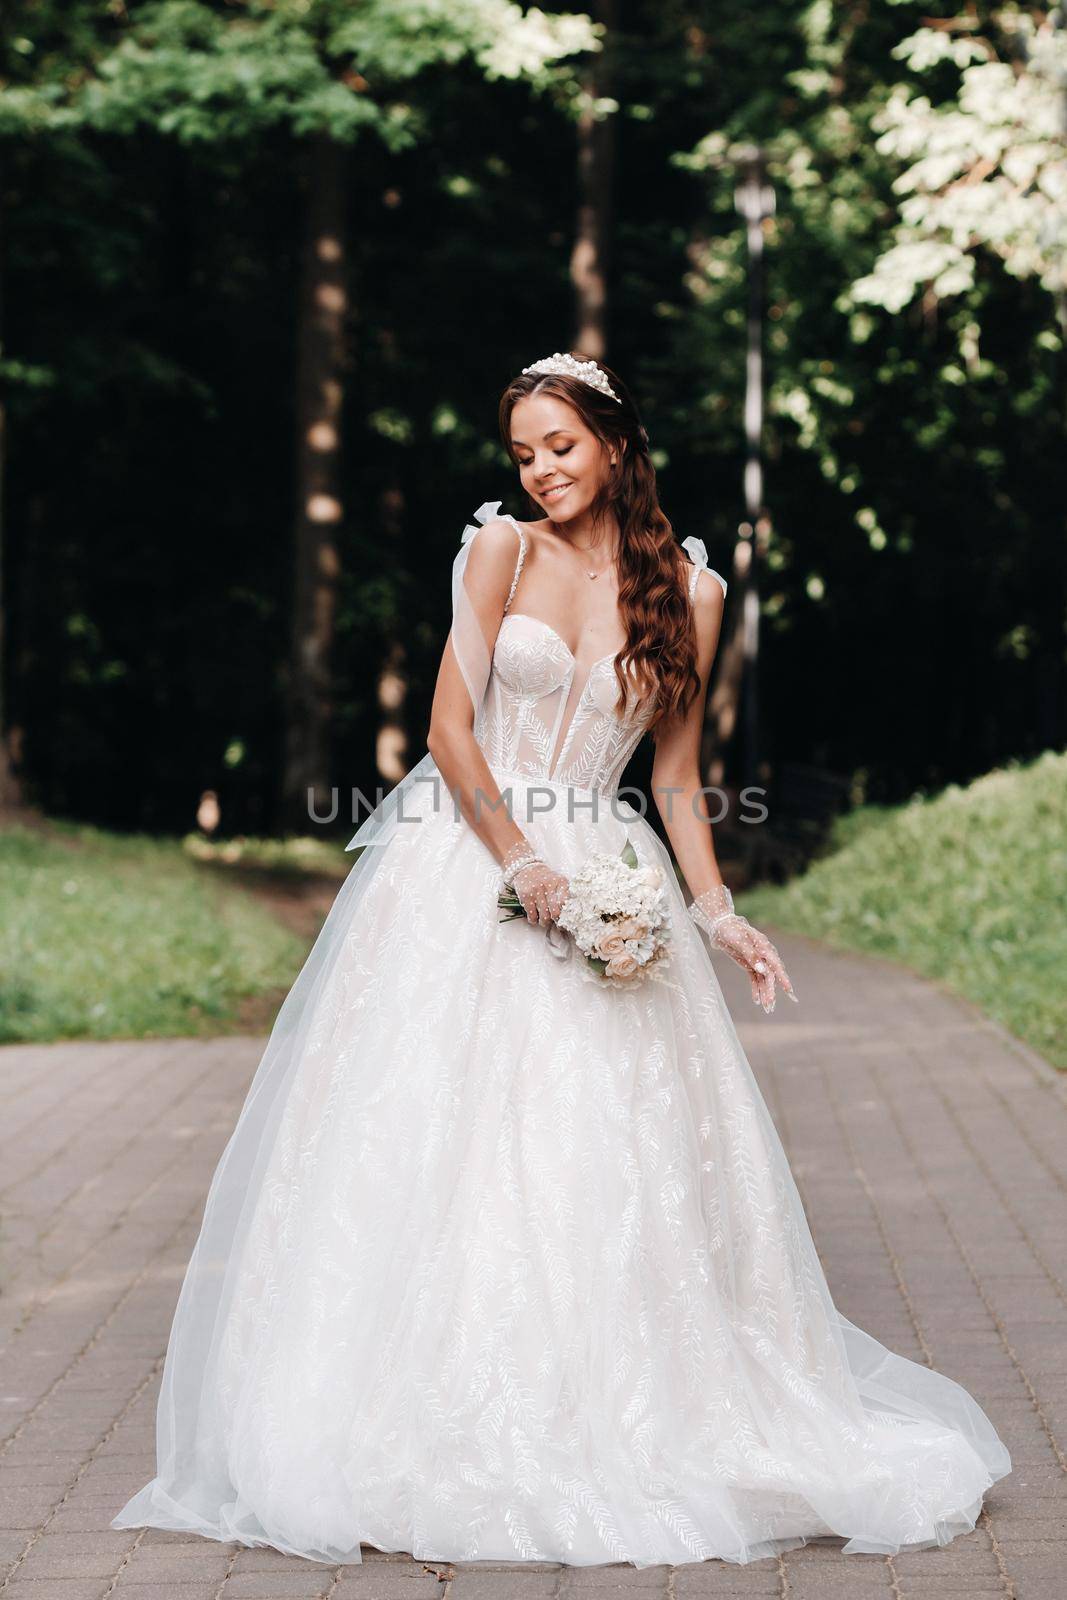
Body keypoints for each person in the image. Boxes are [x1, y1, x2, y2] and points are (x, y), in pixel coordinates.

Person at [111, 350, 1010, 1570]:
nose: (538, 471)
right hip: (470, 861)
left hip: (614, 869)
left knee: (605, 1142)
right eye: (524, 452)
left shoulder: (691, 591)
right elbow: (446, 730)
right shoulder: (501, 554)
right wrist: (521, 865)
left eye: (559, 447)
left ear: (615, 444)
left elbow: (679, 779)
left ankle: (626, 1405)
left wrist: (712, 909)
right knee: (442, 1131)